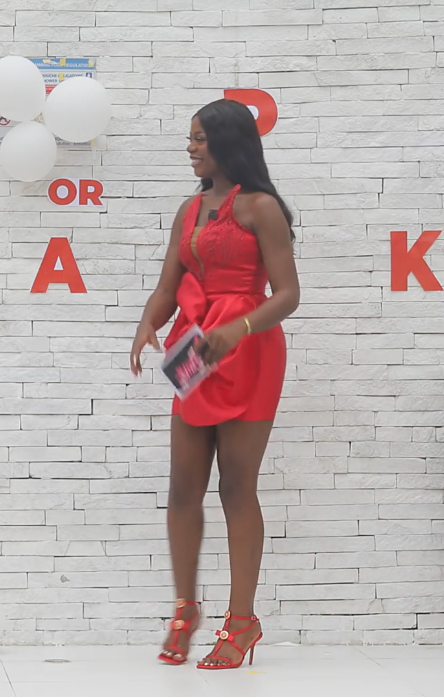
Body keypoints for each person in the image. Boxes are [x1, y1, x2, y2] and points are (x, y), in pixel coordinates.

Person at [130, 100, 300, 670]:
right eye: (191, 138)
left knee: (235, 488)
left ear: (229, 143)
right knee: (183, 486)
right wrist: (148, 322)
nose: (191, 147)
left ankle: (242, 621)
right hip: (196, 349)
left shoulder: (261, 207)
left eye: (199, 138)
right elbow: (168, 283)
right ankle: (185, 611)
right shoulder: (189, 208)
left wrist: (238, 328)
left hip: (249, 349)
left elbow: (288, 295)